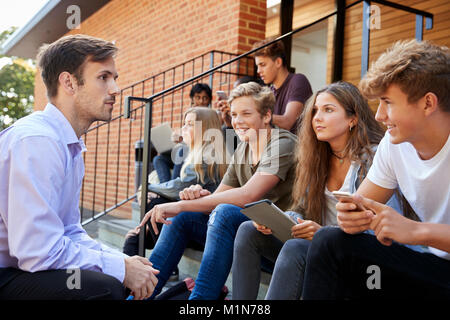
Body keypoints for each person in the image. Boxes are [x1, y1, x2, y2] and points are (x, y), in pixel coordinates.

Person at [0, 34, 159, 300]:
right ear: (69, 82)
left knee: (114, 277)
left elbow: (70, 231)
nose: (115, 89)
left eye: (115, 78)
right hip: (6, 272)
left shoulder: (67, 144)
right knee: (102, 289)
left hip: (19, 268)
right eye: (103, 77)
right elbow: (38, 251)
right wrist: (120, 269)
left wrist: (124, 262)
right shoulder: (39, 141)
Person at [232, 81, 412, 300]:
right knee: (248, 230)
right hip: (319, 246)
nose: (316, 117)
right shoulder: (315, 158)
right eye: (315, 110)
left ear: (352, 119)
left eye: (328, 110)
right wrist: (285, 219)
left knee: (296, 248)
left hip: (363, 260)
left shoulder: (375, 158)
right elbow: (300, 208)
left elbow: (381, 230)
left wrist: (325, 235)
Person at [302, 39, 450, 299]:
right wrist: (351, 215)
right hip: (435, 268)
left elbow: (412, 231)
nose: (379, 115)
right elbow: (362, 203)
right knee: (331, 243)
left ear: (428, 103)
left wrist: (416, 231)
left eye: (387, 102)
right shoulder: (394, 146)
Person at [139, 82, 297, 299]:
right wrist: (197, 196)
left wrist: (178, 204)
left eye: (246, 113)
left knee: (220, 212)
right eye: (233, 114)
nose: (238, 121)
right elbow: (218, 197)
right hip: (249, 231)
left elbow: (247, 195)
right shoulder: (243, 147)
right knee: (183, 217)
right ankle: (141, 293)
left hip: (282, 241)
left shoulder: (283, 143)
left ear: (267, 115)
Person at [124, 107, 227, 256]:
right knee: (136, 237)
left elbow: (179, 188)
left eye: (190, 124)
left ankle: (158, 258)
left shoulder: (207, 157)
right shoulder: (200, 152)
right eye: (184, 123)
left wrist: (148, 188)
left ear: (205, 129)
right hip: (193, 217)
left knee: (152, 204)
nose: (183, 128)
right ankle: (142, 247)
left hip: (201, 224)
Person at [152, 83, 213, 183]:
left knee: (182, 151)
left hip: (197, 154)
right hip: (184, 153)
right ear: (192, 99)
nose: (201, 101)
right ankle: (165, 188)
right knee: (158, 159)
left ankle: (172, 189)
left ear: (209, 100)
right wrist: (177, 139)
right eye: (198, 97)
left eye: (205, 98)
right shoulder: (190, 115)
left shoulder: (211, 117)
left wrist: (184, 141)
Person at [252, 37, 313, 133]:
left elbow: (287, 122)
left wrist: (255, 114)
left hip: (296, 146)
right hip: (275, 145)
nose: (258, 71)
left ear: (278, 62)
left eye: (263, 65)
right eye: (257, 66)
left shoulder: (298, 81)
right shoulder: (269, 91)